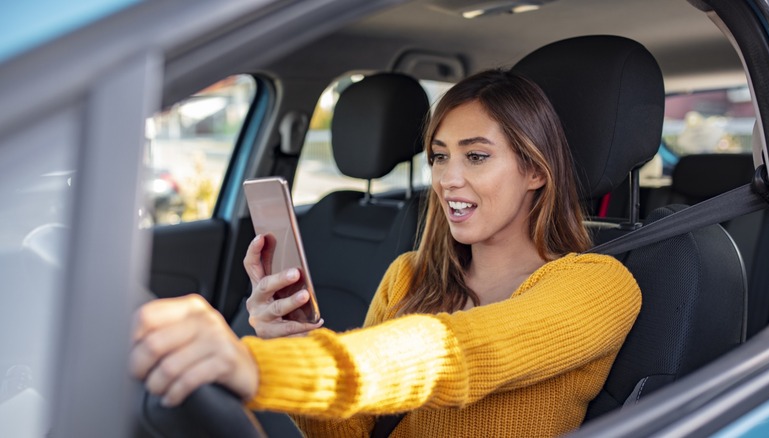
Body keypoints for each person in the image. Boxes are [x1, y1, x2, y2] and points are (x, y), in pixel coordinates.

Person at [130, 69, 641, 437]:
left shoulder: (598, 285)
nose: (448, 179)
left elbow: (456, 355)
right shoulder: (410, 275)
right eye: (440, 157)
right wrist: (296, 339)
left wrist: (254, 365)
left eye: (477, 156)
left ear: (536, 171)